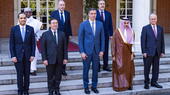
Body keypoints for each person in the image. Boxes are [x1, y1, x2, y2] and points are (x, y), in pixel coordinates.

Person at [78, 8, 105, 94]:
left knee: (95, 70)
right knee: (86, 70)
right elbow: (80, 39)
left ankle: (94, 86)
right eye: (92, 13)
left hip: (96, 52)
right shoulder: (83, 24)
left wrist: (102, 50)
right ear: (88, 15)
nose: (93, 15)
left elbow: (102, 38)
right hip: (86, 52)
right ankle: (86, 87)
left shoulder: (100, 24)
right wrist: (82, 52)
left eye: (95, 14)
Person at [9, 13, 35, 95]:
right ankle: (20, 90)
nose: (23, 19)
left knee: (27, 74)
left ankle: (26, 90)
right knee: (19, 75)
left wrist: (32, 54)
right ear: (18, 19)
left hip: (28, 56)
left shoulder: (30, 29)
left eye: (24, 18)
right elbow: (11, 44)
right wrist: (13, 55)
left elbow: (33, 43)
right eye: (21, 18)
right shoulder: (14, 29)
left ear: (26, 19)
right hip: (17, 56)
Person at [41, 18, 68, 95]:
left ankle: (57, 90)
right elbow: (43, 49)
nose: (55, 24)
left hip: (60, 59)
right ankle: (50, 91)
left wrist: (65, 58)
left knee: (58, 76)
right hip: (49, 60)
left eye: (56, 23)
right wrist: (44, 59)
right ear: (50, 24)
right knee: (50, 77)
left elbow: (65, 48)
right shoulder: (45, 34)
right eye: (53, 23)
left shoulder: (62, 34)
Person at [141, 13, 165, 89]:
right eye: (152, 19)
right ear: (149, 20)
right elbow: (143, 41)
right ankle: (146, 83)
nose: (153, 20)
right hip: (148, 52)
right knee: (147, 68)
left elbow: (162, 41)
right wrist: (143, 51)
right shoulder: (145, 28)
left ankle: (154, 82)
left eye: (155, 19)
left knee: (156, 68)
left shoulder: (160, 28)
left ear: (156, 19)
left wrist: (162, 51)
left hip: (157, 52)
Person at [111, 17, 135, 91]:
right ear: (122, 23)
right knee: (119, 69)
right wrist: (113, 55)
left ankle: (128, 85)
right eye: (124, 23)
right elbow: (113, 44)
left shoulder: (132, 31)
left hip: (128, 54)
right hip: (119, 54)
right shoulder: (117, 32)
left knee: (128, 70)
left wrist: (132, 54)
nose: (126, 24)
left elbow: (133, 44)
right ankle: (119, 85)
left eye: (127, 23)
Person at [50, 0, 72, 76]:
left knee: (64, 52)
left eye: (63, 5)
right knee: (56, 51)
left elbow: (69, 24)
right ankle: (55, 69)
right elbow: (52, 25)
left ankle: (63, 69)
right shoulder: (53, 13)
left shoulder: (67, 13)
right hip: (56, 35)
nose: (62, 6)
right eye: (61, 5)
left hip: (65, 36)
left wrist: (69, 34)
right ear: (58, 6)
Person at [24, 8, 43, 76]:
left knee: (34, 55)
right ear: (24, 13)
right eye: (26, 12)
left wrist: (37, 36)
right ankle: (27, 69)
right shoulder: (22, 20)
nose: (28, 13)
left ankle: (33, 69)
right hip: (24, 42)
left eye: (29, 12)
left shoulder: (36, 22)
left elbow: (39, 31)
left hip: (33, 41)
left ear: (31, 13)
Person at [96, 0, 113, 72]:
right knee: (97, 50)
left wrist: (111, 34)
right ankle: (97, 66)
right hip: (97, 35)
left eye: (103, 4)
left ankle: (105, 66)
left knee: (105, 50)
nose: (102, 5)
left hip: (106, 35)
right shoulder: (95, 13)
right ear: (98, 5)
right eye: (101, 4)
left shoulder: (108, 14)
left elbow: (110, 25)